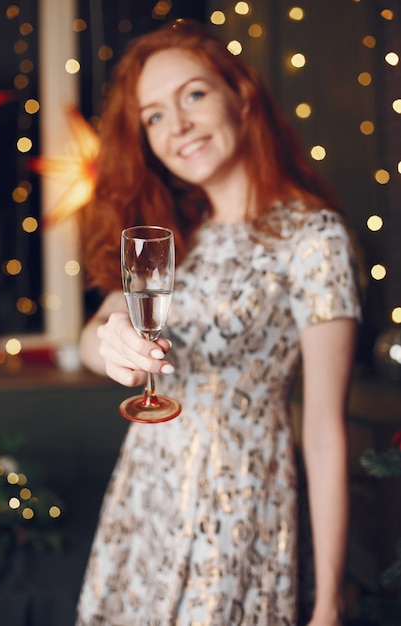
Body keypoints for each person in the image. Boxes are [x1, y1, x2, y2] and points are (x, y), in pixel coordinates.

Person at [75, 18, 361, 626]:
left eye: (194, 95)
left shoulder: (312, 238)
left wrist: (328, 604)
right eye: (153, 115)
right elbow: (95, 333)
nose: (176, 125)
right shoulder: (178, 231)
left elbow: (323, 430)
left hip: (239, 505)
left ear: (241, 95)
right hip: (146, 492)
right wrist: (110, 345)